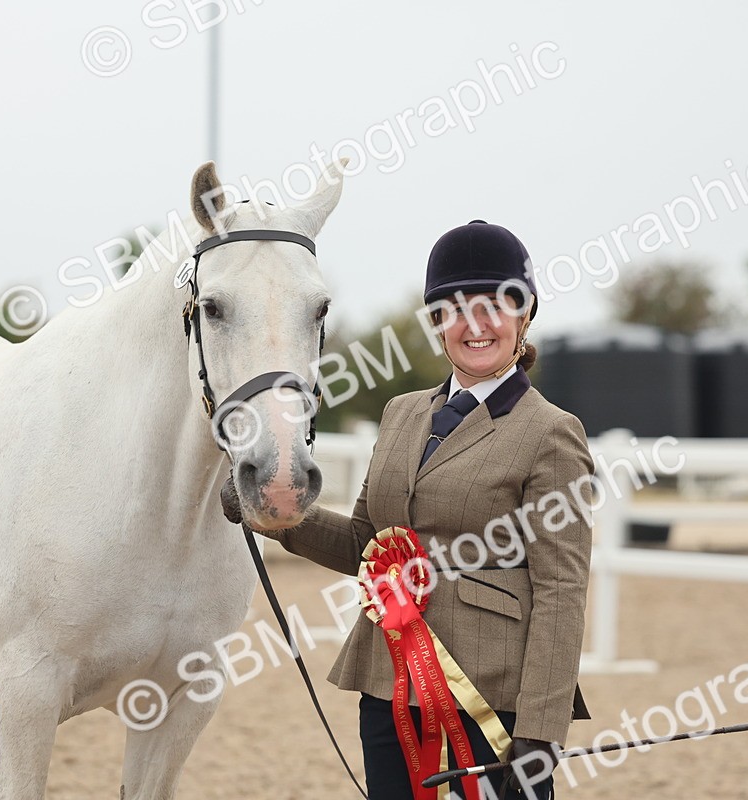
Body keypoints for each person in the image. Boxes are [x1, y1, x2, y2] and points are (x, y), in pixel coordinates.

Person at [223, 220, 594, 799]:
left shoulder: (550, 434)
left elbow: (561, 591)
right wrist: (277, 511)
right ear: (437, 322)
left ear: (525, 317)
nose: (476, 324)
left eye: (497, 304)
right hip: (389, 684)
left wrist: (541, 732)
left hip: (490, 700)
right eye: (457, 307)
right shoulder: (401, 414)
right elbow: (365, 542)